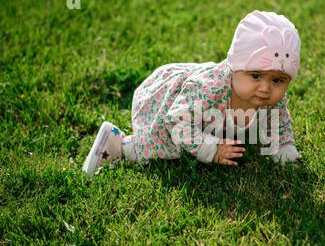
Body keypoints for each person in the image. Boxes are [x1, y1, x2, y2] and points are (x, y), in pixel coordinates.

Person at [83, 10, 302, 176]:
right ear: (235, 66)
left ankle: (210, 131)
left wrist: (284, 147)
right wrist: (213, 150)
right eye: (255, 75)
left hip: (205, 115)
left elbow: (279, 120)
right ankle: (117, 144)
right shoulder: (209, 88)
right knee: (158, 146)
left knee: (215, 124)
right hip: (169, 104)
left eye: (278, 80)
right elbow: (178, 123)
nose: (265, 88)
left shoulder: (272, 98)